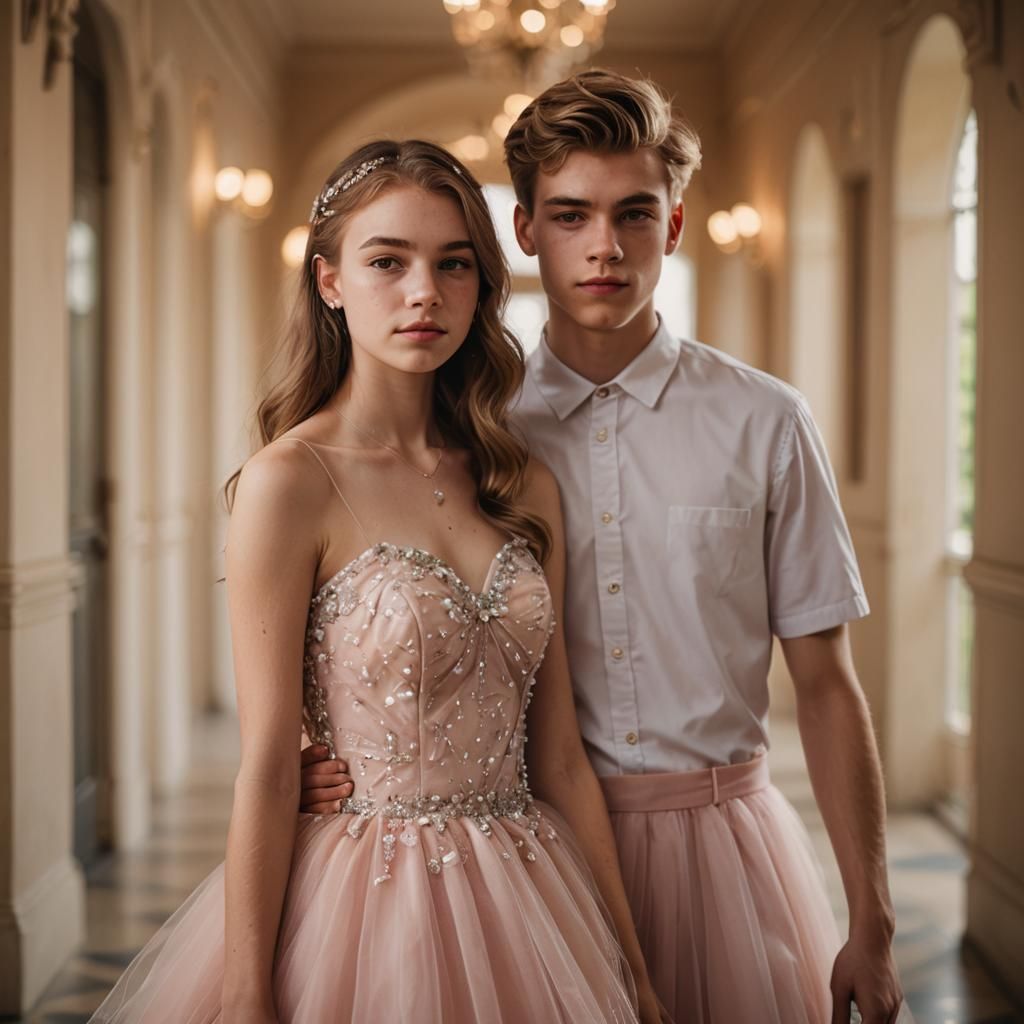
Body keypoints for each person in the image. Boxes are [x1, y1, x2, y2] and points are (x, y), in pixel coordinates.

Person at [302, 72, 908, 1024]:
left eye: (635, 214)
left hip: (728, 850)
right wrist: (321, 749)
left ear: (672, 226)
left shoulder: (766, 421)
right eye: (572, 215)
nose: (605, 247)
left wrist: (872, 920)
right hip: (530, 853)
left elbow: (828, 688)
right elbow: (366, 606)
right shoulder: (472, 436)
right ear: (527, 231)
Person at [89, 139, 663, 1023]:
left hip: (533, 899)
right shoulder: (290, 481)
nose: (424, 293)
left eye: (454, 265)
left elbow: (559, 758)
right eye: (387, 262)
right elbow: (271, 770)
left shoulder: (522, 482)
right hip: (361, 907)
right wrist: (247, 991)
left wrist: (634, 969)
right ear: (329, 281)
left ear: (482, 285)